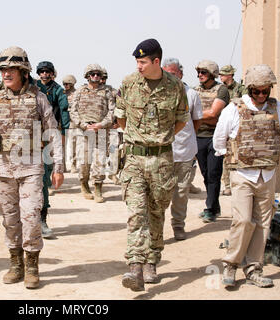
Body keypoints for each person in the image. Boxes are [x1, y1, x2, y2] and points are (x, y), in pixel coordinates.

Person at [0, 46, 64, 289]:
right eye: (3, 70)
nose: (6, 74)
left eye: (11, 69)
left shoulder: (38, 98)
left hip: (31, 169)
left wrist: (59, 166)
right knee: (10, 220)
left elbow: (53, 132)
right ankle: (15, 263)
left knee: (30, 218)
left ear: (23, 71)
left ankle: (32, 265)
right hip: (2, 169)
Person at [115, 39, 189, 292]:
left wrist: (160, 138)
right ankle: (135, 265)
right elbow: (121, 117)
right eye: (137, 61)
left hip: (162, 160)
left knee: (156, 212)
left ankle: (152, 261)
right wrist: (140, 139)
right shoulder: (128, 83)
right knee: (136, 213)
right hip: (134, 157)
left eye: (143, 62)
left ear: (156, 62)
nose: (138, 66)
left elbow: (181, 120)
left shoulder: (176, 87)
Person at [214, 64, 280, 288]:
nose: (262, 96)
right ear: (249, 88)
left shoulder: (277, 107)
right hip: (243, 174)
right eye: (257, 91)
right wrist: (233, 160)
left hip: (268, 174)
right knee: (243, 220)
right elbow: (219, 138)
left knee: (264, 223)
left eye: (266, 91)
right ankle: (231, 265)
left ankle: (254, 268)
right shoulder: (233, 109)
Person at [162, 58, 203, 241]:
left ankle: (178, 225)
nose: (169, 77)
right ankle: (157, 230)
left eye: (172, 73)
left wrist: (185, 138)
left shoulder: (191, 94)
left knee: (181, 192)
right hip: (162, 152)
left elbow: (196, 121)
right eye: (166, 73)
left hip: (185, 152)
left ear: (180, 73)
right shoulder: (159, 93)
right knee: (160, 193)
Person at [70, 64, 115, 203]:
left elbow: (112, 112)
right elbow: (73, 111)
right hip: (83, 131)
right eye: (93, 74)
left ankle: (98, 188)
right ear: (88, 75)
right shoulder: (80, 91)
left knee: (99, 162)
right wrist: (83, 125)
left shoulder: (107, 92)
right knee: (84, 161)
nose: (96, 76)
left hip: (100, 131)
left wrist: (101, 125)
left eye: (98, 74)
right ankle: (84, 185)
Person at [35, 61, 70, 238]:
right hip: (29, 138)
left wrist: (62, 133)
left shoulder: (58, 91)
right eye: (41, 71)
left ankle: (42, 219)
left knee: (42, 180)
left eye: (47, 72)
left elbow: (64, 111)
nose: (44, 74)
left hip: (48, 137)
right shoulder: (32, 88)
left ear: (52, 73)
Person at [195, 60, 230, 223]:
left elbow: (214, 114)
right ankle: (214, 206)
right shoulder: (195, 91)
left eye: (204, 72)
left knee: (214, 173)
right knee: (205, 173)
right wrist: (204, 117)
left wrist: (196, 116)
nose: (200, 75)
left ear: (212, 74)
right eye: (199, 72)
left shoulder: (221, 90)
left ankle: (210, 208)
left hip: (216, 137)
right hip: (199, 137)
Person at [219, 65, 246, 196]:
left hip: (238, 127)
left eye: (223, 74)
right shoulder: (221, 89)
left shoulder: (241, 89)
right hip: (225, 126)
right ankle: (227, 185)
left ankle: (237, 184)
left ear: (230, 75)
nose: (221, 77)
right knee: (226, 157)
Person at [100, 67, 121, 185]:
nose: (102, 80)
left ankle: (113, 174)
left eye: (104, 78)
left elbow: (121, 107)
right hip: (99, 130)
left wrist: (118, 122)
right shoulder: (92, 92)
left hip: (112, 128)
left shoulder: (113, 92)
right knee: (100, 153)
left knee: (114, 151)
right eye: (100, 78)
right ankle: (99, 175)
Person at [62, 74, 78, 174]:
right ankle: (62, 165)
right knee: (62, 146)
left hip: (73, 123)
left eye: (67, 84)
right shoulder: (62, 93)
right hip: (63, 122)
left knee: (73, 146)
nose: (66, 86)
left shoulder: (77, 94)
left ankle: (73, 164)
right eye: (64, 84)